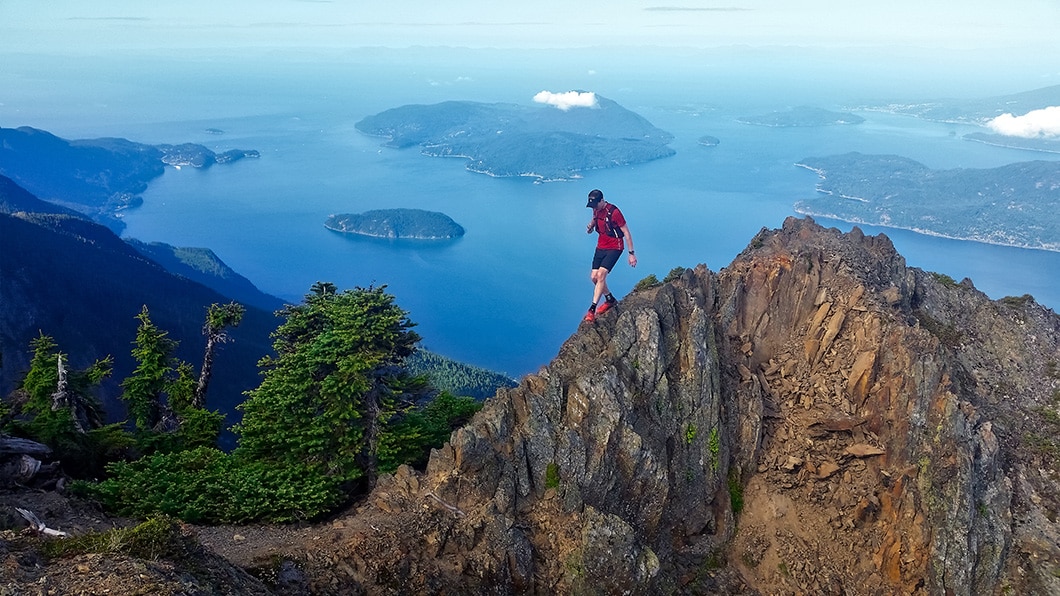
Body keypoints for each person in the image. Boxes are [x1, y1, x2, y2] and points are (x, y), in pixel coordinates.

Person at [583, 189, 636, 323]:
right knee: (594, 278)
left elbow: (627, 233)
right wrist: (590, 227)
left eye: (595, 204)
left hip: (615, 247)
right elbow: (595, 221)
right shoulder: (596, 210)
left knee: (601, 275)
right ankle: (610, 299)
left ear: (602, 200)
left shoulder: (614, 212)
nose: (594, 207)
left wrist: (631, 254)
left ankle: (592, 310)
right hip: (600, 247)